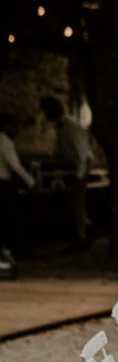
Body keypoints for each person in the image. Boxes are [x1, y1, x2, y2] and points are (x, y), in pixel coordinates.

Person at [40, 95, 92, 245]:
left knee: (78, 203)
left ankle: (82, 237)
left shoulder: (73, 126)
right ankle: (83, 230)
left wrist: (79, 176)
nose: (45, 115)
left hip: (81, 166)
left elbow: (82, 153)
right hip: (71, 167)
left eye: (46, 111)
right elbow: (63, 151)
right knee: (72, 202)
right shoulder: (60, 127)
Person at [0, 113, 35, 276]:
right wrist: (30, 181)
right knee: (10, 218)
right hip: (4, 184)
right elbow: (15, 166)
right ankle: (12, 251)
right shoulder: (4, 142)